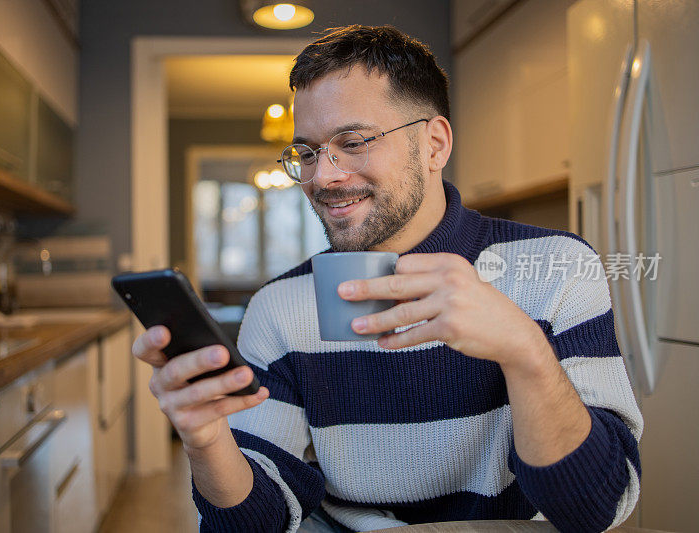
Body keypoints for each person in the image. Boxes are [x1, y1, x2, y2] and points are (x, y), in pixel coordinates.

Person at [132, 25, 642, 533]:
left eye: (352, 143)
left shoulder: (557, 267)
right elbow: (258, 523)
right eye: (307, 152)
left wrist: (525, 351)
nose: (323, 177)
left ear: (434, 144)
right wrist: (206, 440)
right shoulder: (280, 306)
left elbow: (597, 508)